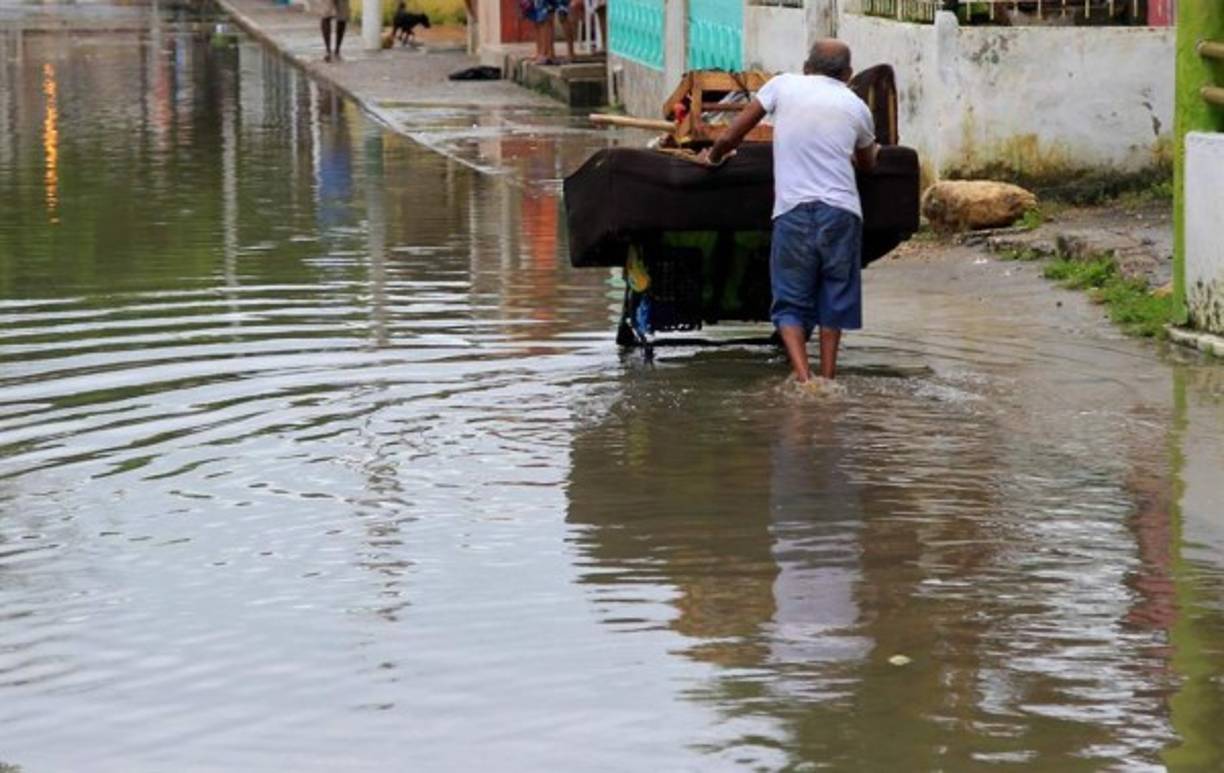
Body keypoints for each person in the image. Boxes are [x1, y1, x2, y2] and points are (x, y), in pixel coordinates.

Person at [703, 40, 879, 383]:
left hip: (793, 212)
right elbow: (868, 164)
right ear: (848, 74)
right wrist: (872, 151)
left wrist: (712, 156)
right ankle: (828, 378)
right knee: (835, 297)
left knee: (790, 302)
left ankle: (803, 378)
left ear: (806, 67)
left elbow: (731, 136)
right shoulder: (857, 106)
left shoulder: (782, 85)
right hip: (841, 213)